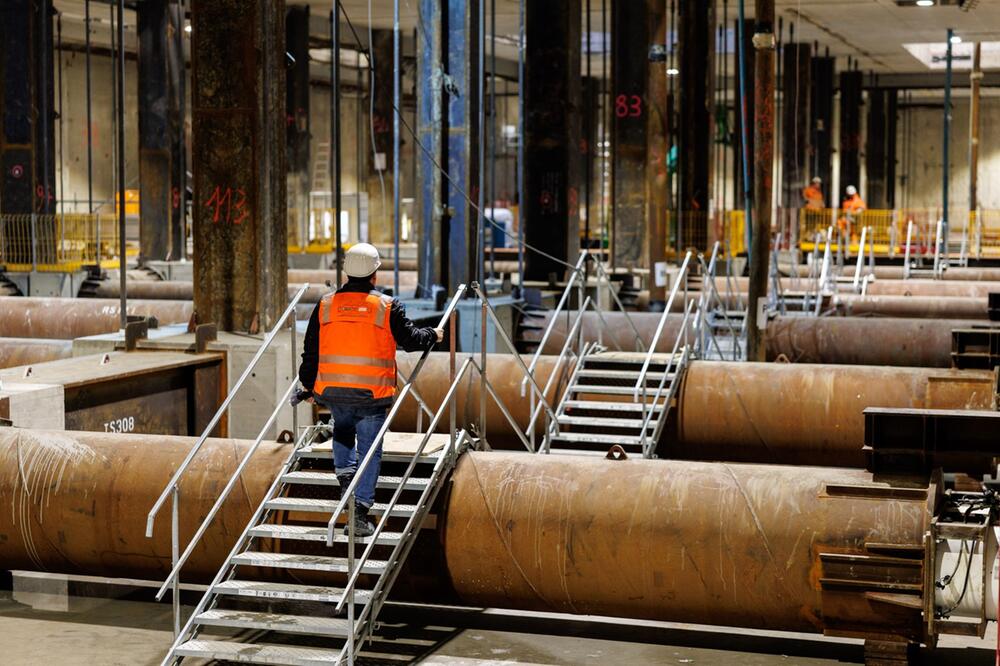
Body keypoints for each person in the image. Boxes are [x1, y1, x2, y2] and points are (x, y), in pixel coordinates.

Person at [298, 243, 443, 537]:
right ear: (375, 274)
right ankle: (360, 513)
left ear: (346, 273)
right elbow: (412, 340)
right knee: (369, 450)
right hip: (371, 394)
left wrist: (307, 383)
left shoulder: (325, 304)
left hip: (333, 391)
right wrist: (434, 334)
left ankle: (346, 485)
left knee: (342, 431)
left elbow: (310, 350)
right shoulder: (387, 306)